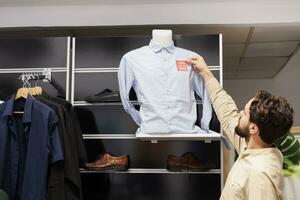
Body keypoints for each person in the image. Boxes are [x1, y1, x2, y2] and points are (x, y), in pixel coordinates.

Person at [187, 56, 294, 200]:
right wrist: (206, 73)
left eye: (244, 113)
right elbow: (228, 113)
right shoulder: (253, 146)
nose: (239, 114)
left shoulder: (260, 174)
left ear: (253, 129)